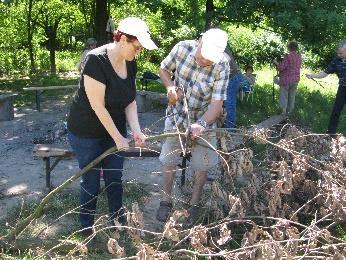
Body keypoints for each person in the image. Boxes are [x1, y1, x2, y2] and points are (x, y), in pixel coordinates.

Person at [67, 17, 157, 236]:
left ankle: (118, 222)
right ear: (123, 39)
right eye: (137, 47)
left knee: (114, 178)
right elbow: (98, 106)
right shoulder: (95, 60)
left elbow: (130, 100)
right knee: (91, 181)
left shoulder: (131, 61)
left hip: (114, 128)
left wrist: (135, 129)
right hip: (86, 131)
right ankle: (86, 229)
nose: (138, 53)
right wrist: (118, 137)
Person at [156, 28, 230, 225]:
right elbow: (163, 69)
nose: (205, 62)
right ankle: (166, 200)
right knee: (168, 159)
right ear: (200, 42)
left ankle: (194, 204)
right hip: (176, 115)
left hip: (205, 119)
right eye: (204, 57)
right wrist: (170, 87)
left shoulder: (222, 65)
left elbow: (216, 105)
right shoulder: (182, 48)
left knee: (201, 164)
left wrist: (202, 124)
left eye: (209, 60)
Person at [306, 40, 346, 136]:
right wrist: (313, 75)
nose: (339, 54)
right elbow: (324, 73)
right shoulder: (336, 61)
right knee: (336, 111)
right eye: (338, 53)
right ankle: (331, 134)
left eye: (341, 53)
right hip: (343, 89)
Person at [274, 41, 302, 115]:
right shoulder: (299, 56)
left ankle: (283, 111)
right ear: (296, 48)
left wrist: (276, 63)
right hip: (295, 79)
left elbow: (282, 67)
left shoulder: (287, 56)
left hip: (286, 79)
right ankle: (290, 112)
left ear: (289, 47)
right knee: (292, 96)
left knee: (284, 95)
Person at [224, 49, 243, 128]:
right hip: (232, 77)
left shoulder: (220, 46)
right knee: (224, 103)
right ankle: (224, 126)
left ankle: (230, 130)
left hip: (232, 78)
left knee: (229, 104)